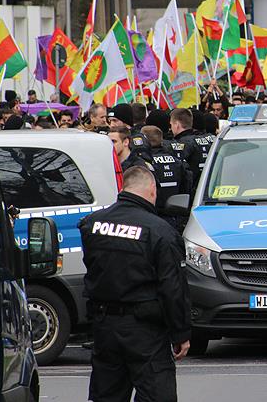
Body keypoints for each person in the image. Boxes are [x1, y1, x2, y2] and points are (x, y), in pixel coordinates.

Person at [79, 166, 191, 401]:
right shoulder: (160, 231)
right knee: (157, 395)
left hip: (104, 326)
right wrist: (180, 333)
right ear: (152, 190)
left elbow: (93, 268)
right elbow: (173, 288)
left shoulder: (92, 224)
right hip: (145, 330)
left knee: (107, 395)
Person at [141, 125, 193, 235]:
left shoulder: (143, 164)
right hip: (176, 217)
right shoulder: (177, 161)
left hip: (153, 216)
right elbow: (187, 186)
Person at [169, 109, 206, 186]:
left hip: (192, 188)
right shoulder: (205, 138)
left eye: (171, 125)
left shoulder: (180, 144)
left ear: (176, 124)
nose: (170, 128)